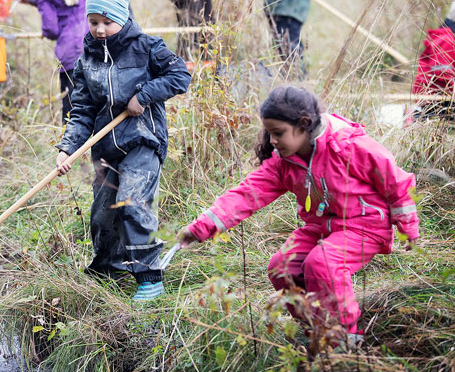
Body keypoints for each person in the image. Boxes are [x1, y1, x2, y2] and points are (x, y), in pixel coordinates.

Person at [177, 86, 420, 342]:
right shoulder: (285, 162)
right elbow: (245, 195)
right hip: (321, 227)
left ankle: (343, 339)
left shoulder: (348, 146)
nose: (272, 141)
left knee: (323, 263)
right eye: (269, 133)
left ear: (303, 125)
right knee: (280, 267)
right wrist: (201, 227)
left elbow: (396, 182)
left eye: (278, 133)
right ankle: (315, 332)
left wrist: (408, 227)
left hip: (366, 226)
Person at [55, 0, 191, 301]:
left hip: (143, 140)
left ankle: (149, 276)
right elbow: (82, 110)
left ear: (123, 18)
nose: (100, 30)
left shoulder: (146, 47)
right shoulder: (87, 59)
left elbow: (179, 76)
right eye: (93, 22)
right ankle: (109, 272)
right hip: (106, 149)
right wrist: (67, 148)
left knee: (132, 202)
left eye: (107, 22)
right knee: (103, 212)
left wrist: (143, 96)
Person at [17, 0, 92, 123]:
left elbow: (51, 30)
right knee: (91, 104)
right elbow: (68, 4)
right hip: (92, 47)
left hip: (70, 56)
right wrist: (35, 1)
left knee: (71, 109)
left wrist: (41, 6)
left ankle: (70, 150)